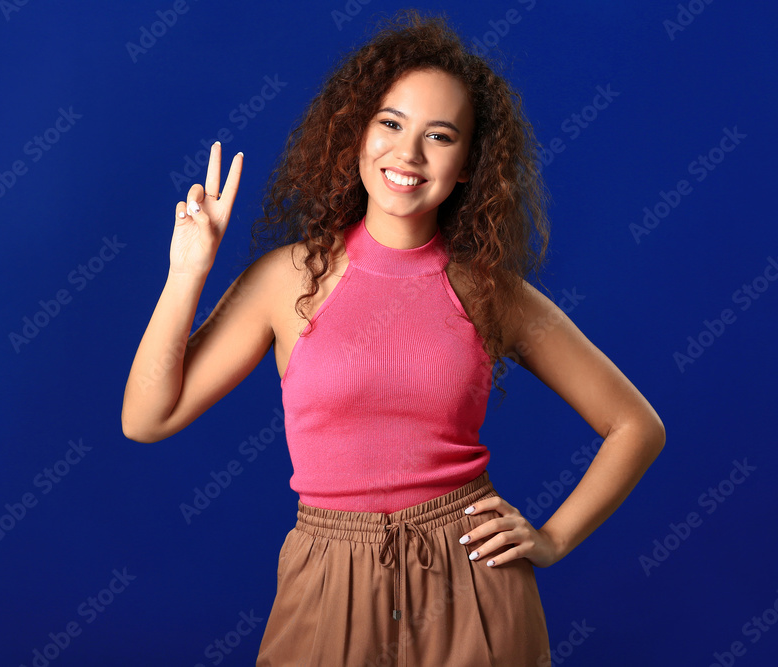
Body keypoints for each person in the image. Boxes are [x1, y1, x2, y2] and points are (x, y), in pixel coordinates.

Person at [122, 8, 665, 666]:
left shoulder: (488, 290)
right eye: (390, 123)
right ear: (356, 134)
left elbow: (635, 424)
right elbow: (146, 418)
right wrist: (188, 272)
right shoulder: (284, 280)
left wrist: (550, 537)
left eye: (440, 136)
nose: (408, 154)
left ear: (468, 163)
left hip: (471, 583)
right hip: (327, 577)